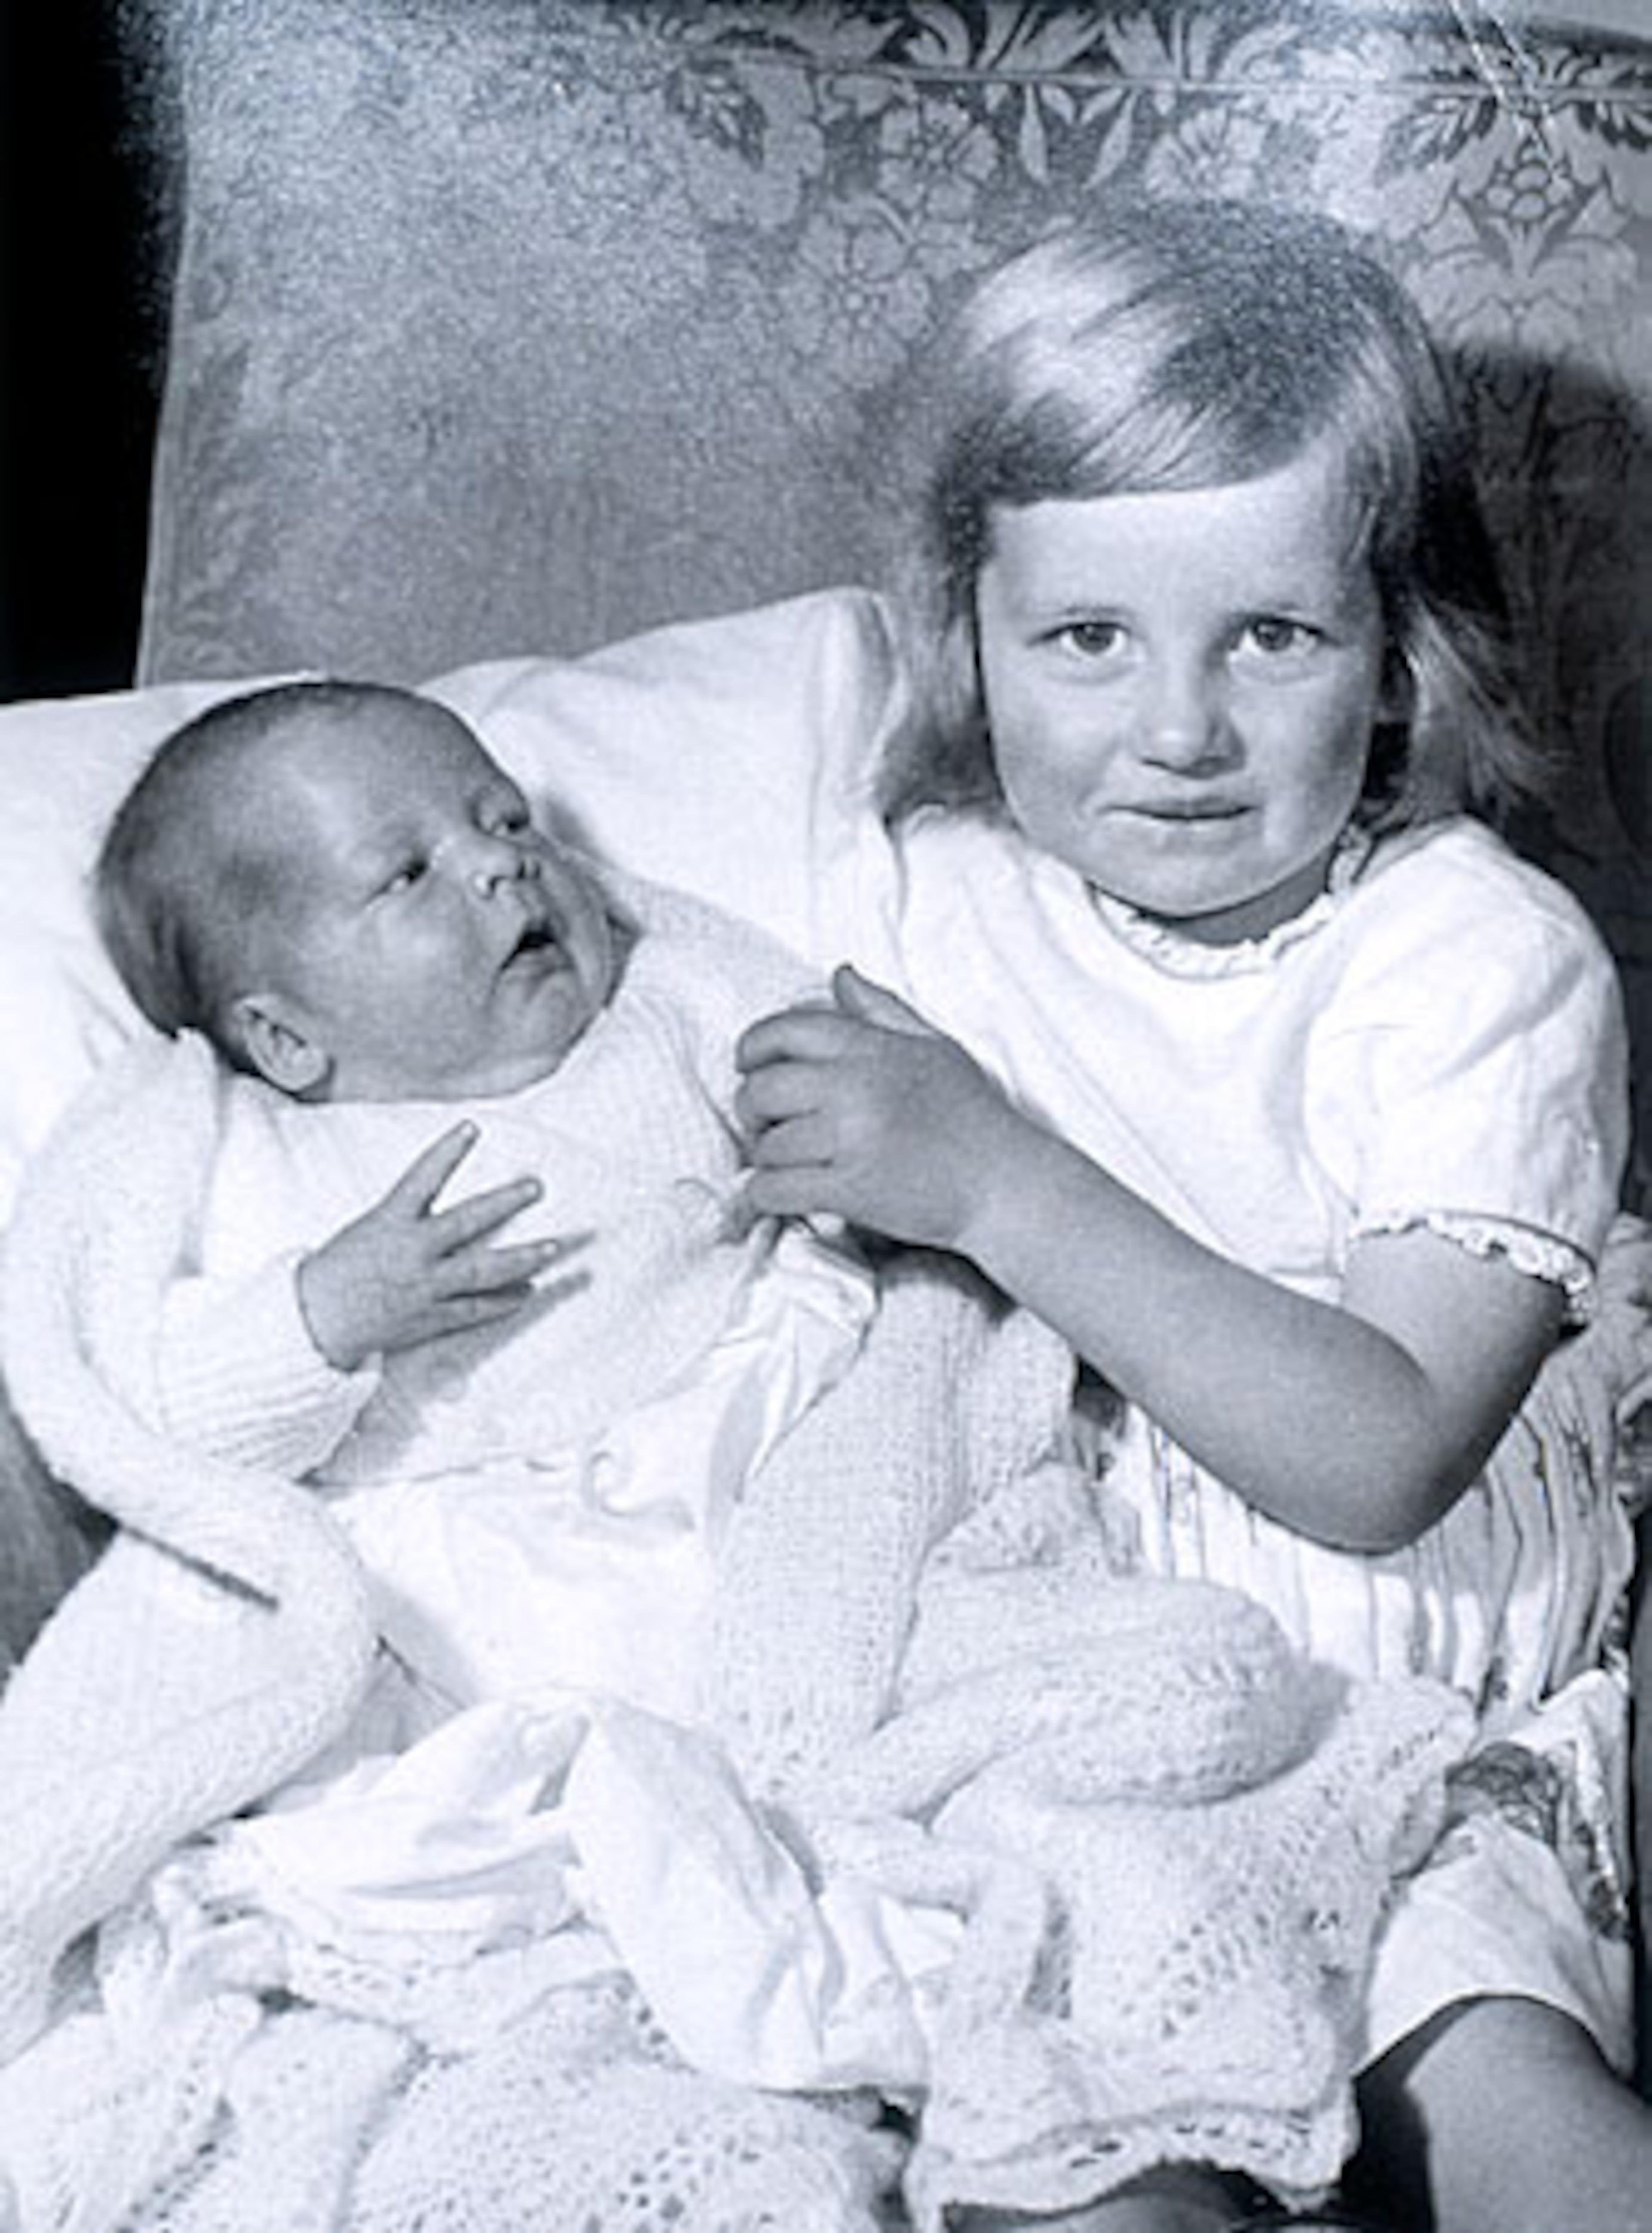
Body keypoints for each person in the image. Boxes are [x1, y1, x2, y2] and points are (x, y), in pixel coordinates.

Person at [734, 199, 1652, 2233]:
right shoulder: (931, 894)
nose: (1176, 727)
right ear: (959, 631)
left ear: (1402, 660)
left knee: (1488, 2087)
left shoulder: (1472, 963)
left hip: (1414, 1720)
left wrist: (986, 1174)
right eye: (1085, 637)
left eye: (1272, 635)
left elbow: (1384, 1447)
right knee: (1074, 2152)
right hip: (1065, 1736)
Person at [92, 676, 879, 1729]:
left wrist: (833, 1125)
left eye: (507, 820)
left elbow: (839, 1086)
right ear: (284, 1039)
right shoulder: (255, 1161)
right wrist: (322, 1318)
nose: (501, 860)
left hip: (764, 1438)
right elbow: (163, 1427)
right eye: (408, 874)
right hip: (500, 1553)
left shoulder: (658, 1005)